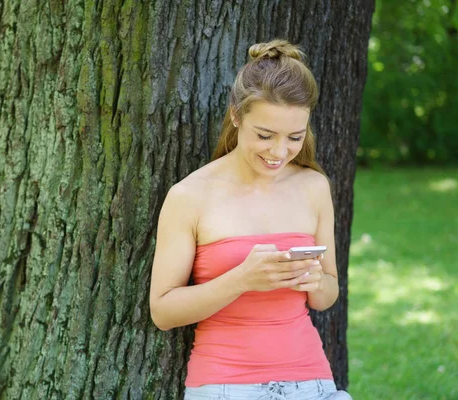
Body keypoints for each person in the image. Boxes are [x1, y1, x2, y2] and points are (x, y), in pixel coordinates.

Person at [149, 39, 353, 400]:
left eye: (294, 137)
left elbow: (326, 296)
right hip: (225, 385)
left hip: (311, 382)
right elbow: (163, 311)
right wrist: (242, 279)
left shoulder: (313, 186)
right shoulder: (190, 195)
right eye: (265, 135)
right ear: (236, 116)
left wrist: (315, 278)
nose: (279, 152)